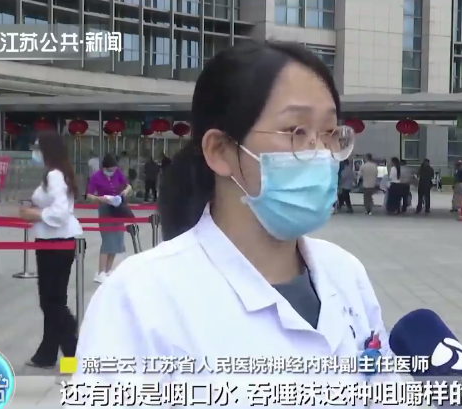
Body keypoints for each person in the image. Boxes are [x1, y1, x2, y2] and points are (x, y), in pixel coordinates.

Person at [71, 41, 397, 391]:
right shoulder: (140, 297)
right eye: (296, 131)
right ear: (221, 150)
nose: (320, 153)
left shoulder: (345, 272)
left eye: (330, 133)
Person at [18, 132, 82, 370]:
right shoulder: (58, 173)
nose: (35, 153)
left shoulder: (55, 175)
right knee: (53, 301)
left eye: (38, 148)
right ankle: (47, 353)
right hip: (52, 241)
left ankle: (73, 352)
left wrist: (34, 214)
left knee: (52, 302)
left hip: (56, 242)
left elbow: (60, 212)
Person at [86, 153, 132, 283]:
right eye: (110, 169)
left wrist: (125, 192)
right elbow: (88, 195)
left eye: (114, 169)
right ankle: (100, 272)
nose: (112, 171)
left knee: (117, 240)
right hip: (105, 209)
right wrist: (100, 199)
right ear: (104, 167)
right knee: (107, 240)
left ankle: (108, 270)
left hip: (118, 208)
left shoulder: (117, 173)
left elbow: (128, 186)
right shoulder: (96, 176)